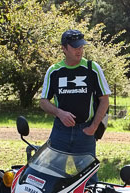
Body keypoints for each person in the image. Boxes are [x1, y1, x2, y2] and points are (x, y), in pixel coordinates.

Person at [40, 30, 110, 177]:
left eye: (81, 47)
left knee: (88, 179)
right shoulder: (54, 71)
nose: (79, 50)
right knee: (53, 176)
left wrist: (93, 127)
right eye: (75, 47)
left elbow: (104, 100)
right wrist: (59, 113)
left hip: (85, 132)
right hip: (60, 132)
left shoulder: (93, 68)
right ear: (64, 48)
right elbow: (43, 101)